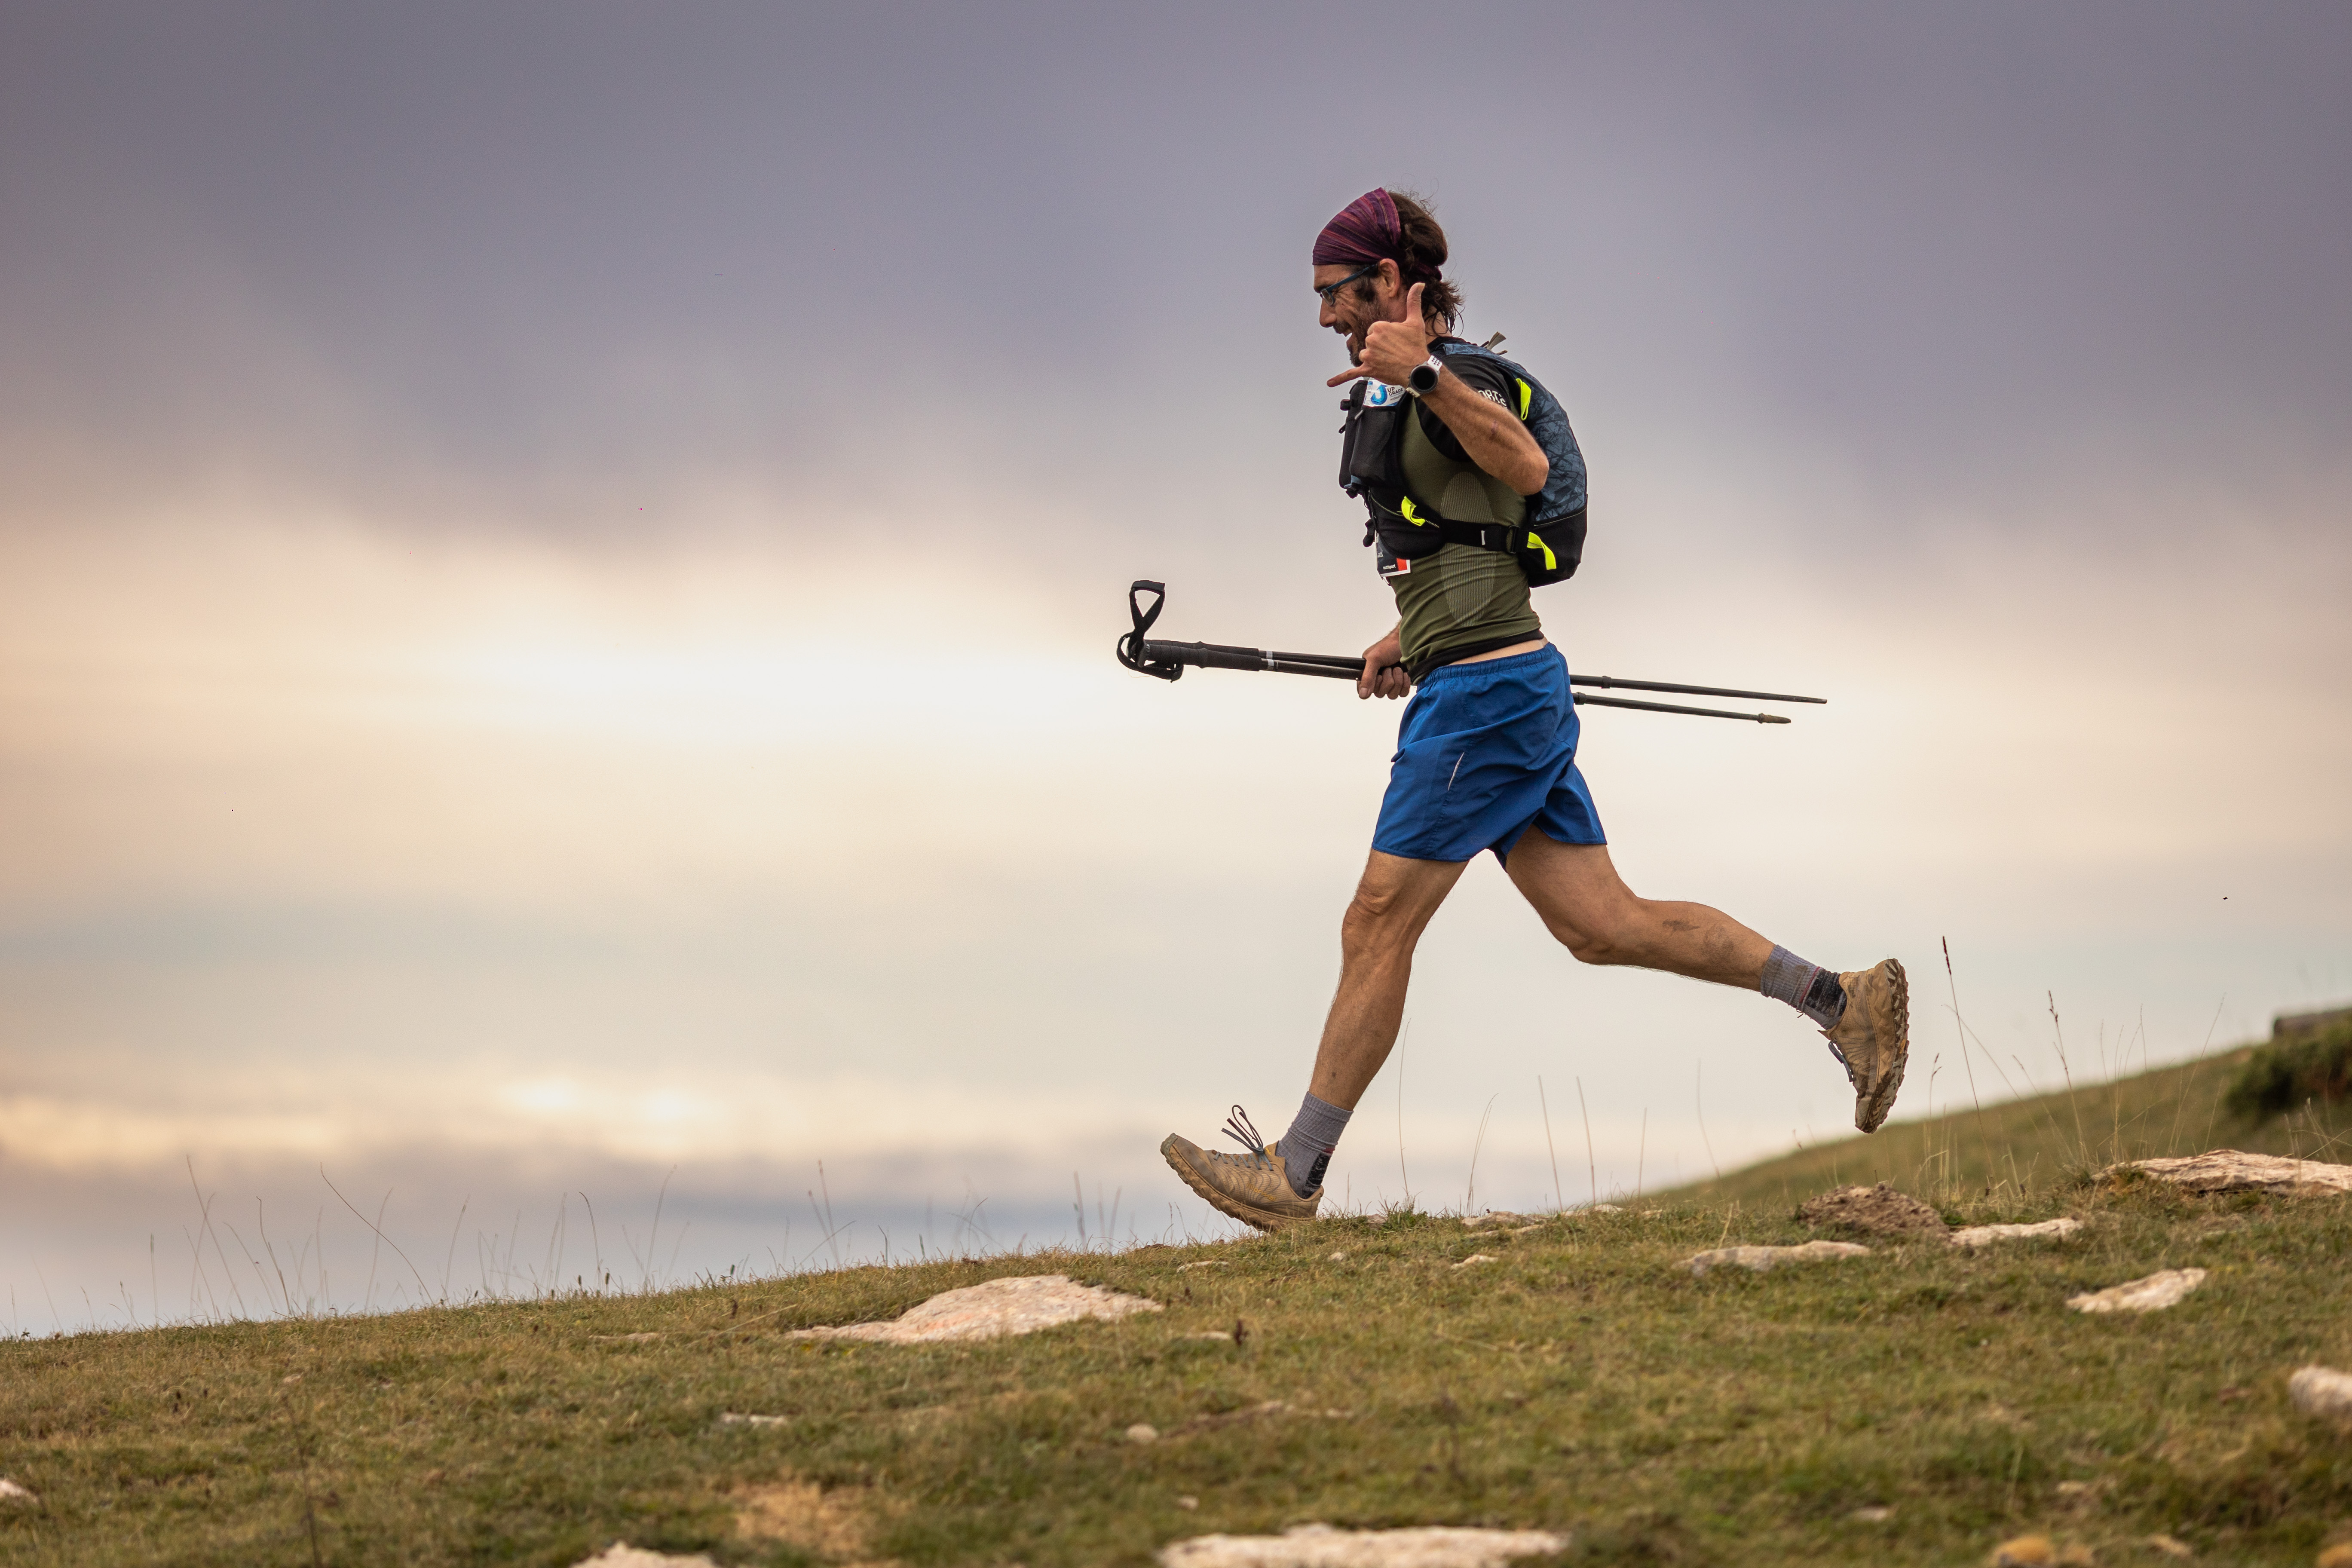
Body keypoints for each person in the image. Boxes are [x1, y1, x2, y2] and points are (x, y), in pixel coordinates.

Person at [1160, 187, 1909, 1231]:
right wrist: (1403, 634)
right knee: (1603, 925)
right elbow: (1463, 535)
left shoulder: (1449, 377)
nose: (1325, 314)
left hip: (1485, 700)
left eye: (1336, 292)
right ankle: (1842, 1000)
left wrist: (1421, 370)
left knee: (1376, 920)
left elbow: (1524, 466)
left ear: (1392, 284)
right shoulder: (1401, 387)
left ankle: (1295, 1172)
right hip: (1490, 682)